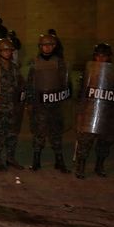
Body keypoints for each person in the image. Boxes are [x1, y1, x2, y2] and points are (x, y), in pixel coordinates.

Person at [73, 43, 114, 178]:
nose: (101, 59)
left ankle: (99, 165)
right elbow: (81, 92)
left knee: (105, 141)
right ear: (95, 56)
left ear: (108, 57)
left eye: (104, 56)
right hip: (89, 111)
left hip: (107, 112)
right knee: (85, 141)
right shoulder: (89, 70)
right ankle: (80, 167)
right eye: (99, 56)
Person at [26, 33, 70, 173]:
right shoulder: (34, 62)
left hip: (55, 104)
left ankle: (59, 161)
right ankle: (36, 161)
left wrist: (65, 99)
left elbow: (66, 84)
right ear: (40, 47)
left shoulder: (60, 62)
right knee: (39, 133)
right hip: (40, 105)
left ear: (54, 46)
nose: (47, 48)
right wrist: (30, 103)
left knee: (56, 133)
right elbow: (30, 84)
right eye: (44, 45)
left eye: (50, 45)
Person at [0, 37, 25, 171]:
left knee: (12, 134)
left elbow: (20, 84)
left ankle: (10, 158)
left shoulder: (15, 68)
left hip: (12, 106)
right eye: (4, 50)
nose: (7, 53)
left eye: (9, 50)